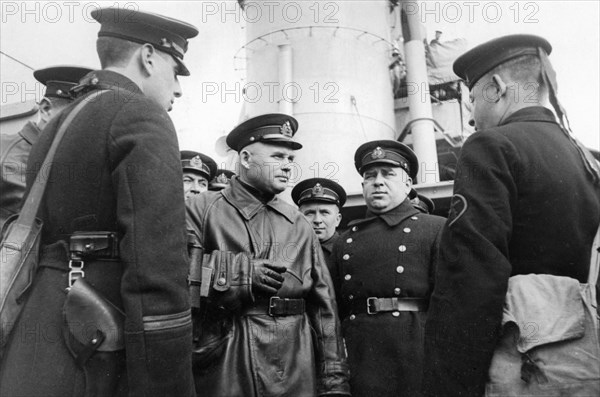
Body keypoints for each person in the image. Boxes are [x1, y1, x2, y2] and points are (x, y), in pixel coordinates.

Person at [0, 7, 198, 396]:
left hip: (41, 332)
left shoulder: (60, 120)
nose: (177, 89)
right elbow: (156, 268)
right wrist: (167, 384)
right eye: (176, 71)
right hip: (97, 345)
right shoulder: (139, 115)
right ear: (148, 56)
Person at [423, 34, 600, 396]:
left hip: (522, 367)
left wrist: (450, 383)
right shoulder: (589, 159)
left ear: (498, 88)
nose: (471, 118)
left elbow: (470, 274)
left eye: (471, 100)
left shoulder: (491, 147)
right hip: (586, 365)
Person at [186, 113, 351, 397]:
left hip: (295, 360)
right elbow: (173, 275)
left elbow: (324, 308)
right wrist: (241, 274)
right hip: (227, 356)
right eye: (277, 157)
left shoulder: (298, 222)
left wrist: (334, 382)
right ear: (246, 159)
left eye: (290, 160)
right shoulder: (202, 209)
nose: (287, 167)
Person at [329, 140, 445, 397]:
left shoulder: (436, 229)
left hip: (415, 353)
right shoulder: (345, 240)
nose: (378, 182)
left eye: (388, 174)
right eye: (370, 176)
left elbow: (451, 304)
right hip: (360, 355)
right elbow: (334, 309)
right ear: (362, 186)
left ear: (408, 184)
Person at [0, 66, 92, 232]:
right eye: (74, 116)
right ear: (46, 109)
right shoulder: (3, 150)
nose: (83, 126)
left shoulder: (75, 162)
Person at [291, 177, 346, 268]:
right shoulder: (289, 252)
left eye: (324, 213)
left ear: (338, 219)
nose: (317, 220)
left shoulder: (349, 251)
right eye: (310, 213)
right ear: (299, 218)